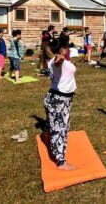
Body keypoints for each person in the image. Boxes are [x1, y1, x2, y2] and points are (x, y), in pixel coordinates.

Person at [43, 37, 77, 170]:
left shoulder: (52, 60)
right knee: (60, 130)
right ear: (62, 49)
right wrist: (60, 58)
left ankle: (47, 136)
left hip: (59, 98)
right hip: (59, 100)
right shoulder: (58, 60)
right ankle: (60, 162)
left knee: (59, 126)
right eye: (67, 47)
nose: (68, 49)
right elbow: (59, 62)